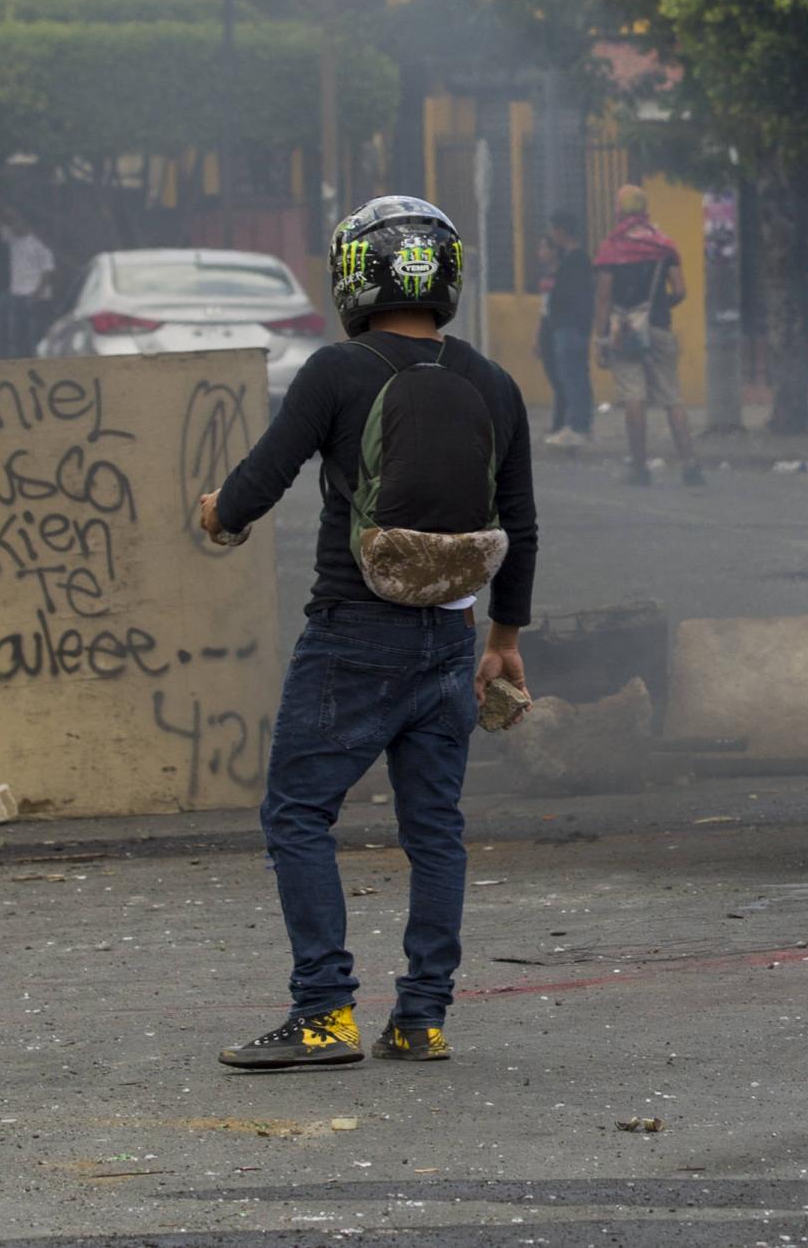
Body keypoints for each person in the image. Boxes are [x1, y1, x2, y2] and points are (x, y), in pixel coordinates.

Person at [200, 195, 539, 1070]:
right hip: (452, 638)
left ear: (354, 276)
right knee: (435, 827)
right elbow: (523, 525)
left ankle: (323, 1012)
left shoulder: (338, 371)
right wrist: (503, 638)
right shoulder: (493, 382)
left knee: (298, 812)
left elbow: (256, 484)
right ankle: (422, 1017)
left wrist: (215, 512)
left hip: (354, 633)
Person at [593, 185, 702, 487]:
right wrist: (656, 309)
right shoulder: (663, 245)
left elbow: (603, 298)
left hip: (623, 332)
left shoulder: (611, 248)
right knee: (672, 397)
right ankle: (690, 465)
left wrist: (600, 339)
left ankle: (640, 467)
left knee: (633, 396)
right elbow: (680, 290)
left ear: (619, 209)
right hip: (659, 328)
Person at [544, 212, 595, 445]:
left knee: (573, 378)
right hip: (569, 327)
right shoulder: (572, 259)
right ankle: (578, 425)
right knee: (572, 377)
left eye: (554, 230)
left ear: (562, 231)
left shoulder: (577, 260)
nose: (553, 235)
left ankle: (578, 426)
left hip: (570, 328)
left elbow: (576, 297)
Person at [0, 208, 55, 359]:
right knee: (17, 338)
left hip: (35, 296)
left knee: (35, 337)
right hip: (17, 294)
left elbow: (48, 271)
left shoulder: (39, 243)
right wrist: (6, 211)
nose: (14, 227)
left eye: (18, 223)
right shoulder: (13, 239)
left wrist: (37, 292)